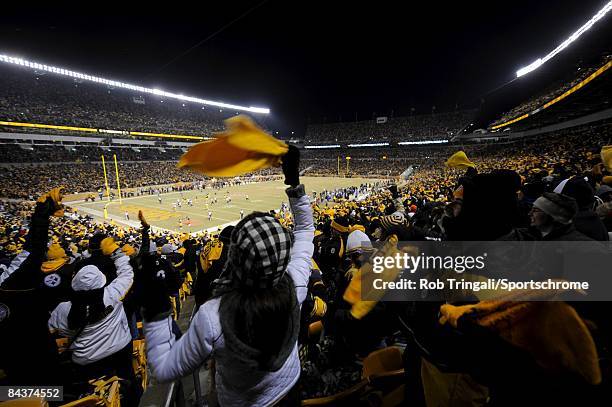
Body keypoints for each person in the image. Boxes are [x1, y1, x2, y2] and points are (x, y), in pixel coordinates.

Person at [142, 145, 314, 406]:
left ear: (235, 257)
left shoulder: (213, 316)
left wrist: (155, 304)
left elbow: (164, 369)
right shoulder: (296, 282)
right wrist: (293, 180)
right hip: (290, 390)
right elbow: (305, 230)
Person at [48, 237, 142, 406]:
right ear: (102, 280)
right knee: (129, 391)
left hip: (86, 363)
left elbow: (52, 330)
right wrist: (116, 253)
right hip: (119, 353)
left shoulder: (62, 310)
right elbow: (127, 273)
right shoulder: (112, 294)